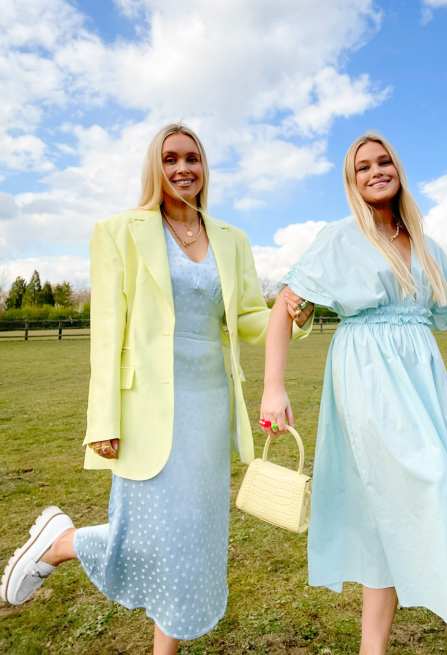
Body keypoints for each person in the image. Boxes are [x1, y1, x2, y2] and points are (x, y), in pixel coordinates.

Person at [0, 123, 311, 655]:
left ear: (204, 167)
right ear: (155, 167)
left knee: (190, 541)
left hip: (209, 406)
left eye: (192, 157)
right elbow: (107, 334)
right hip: (145, 408)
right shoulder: (119, 231)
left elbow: (245, 319)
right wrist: (103, 420)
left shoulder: (231, 239)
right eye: (171, 158)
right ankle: (60, 543)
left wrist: (290, 313)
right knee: (145, 538)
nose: (183, 168)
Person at [261, 132, 447, 655]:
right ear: (351, 181)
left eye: (384, 162)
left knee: (390, 514)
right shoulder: (339, 238)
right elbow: (285, 309)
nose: (376, 171)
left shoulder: (423, 242)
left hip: (424, 385)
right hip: (369, 382)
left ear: (398, 169)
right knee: (443, 497)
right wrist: (273, 388)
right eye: (363, 167)